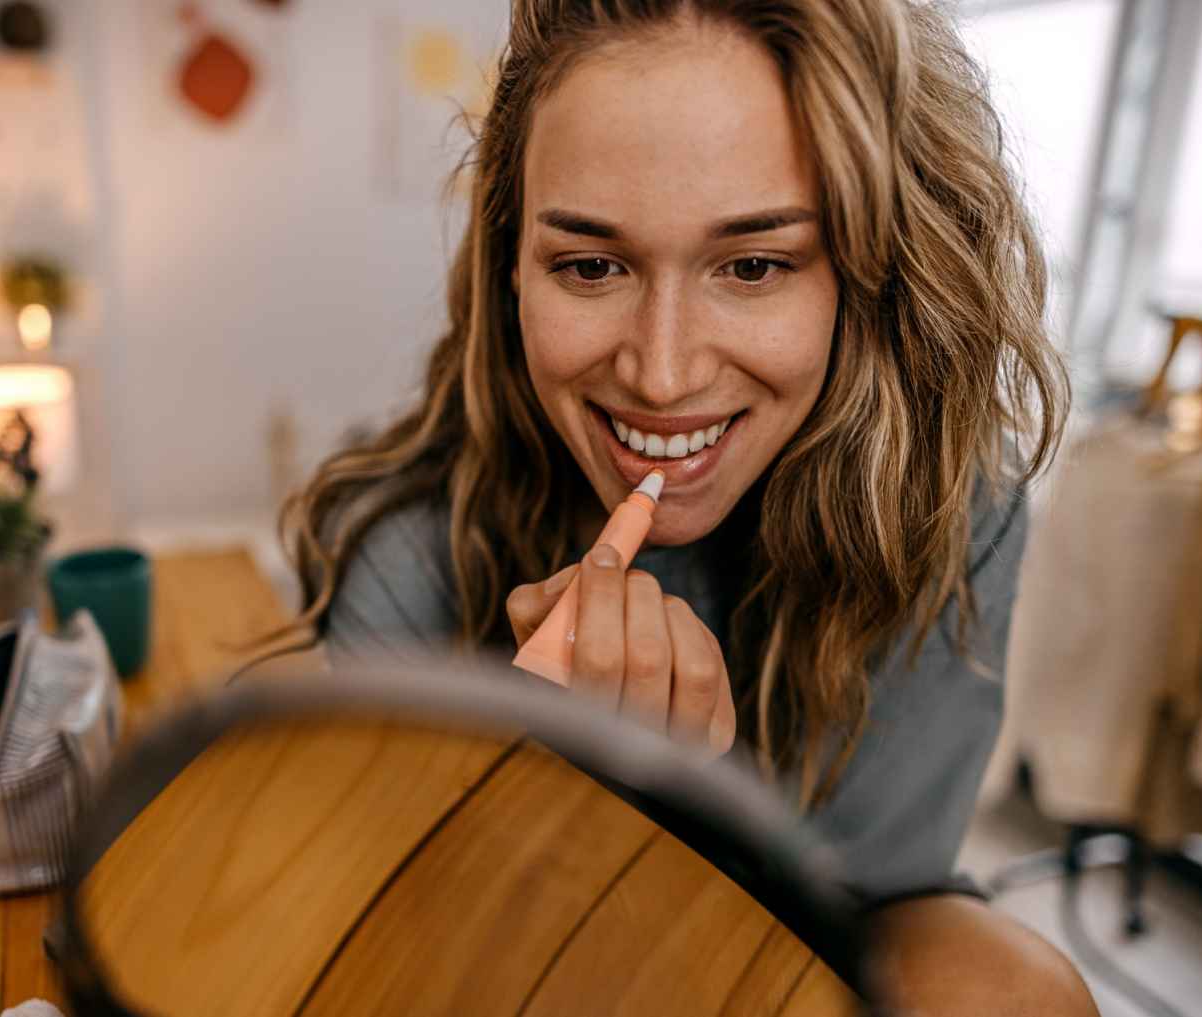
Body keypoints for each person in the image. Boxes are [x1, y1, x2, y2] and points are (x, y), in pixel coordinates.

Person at [280, 0, 1094, 1011]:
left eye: (753, 266)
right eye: (589, 265)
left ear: (869, 273)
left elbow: (861, 918)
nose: (660, 376)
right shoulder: (412, 553)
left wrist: (695, 815)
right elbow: (413, 962)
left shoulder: (944, 510)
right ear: (510, 270)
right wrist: (551, 801)